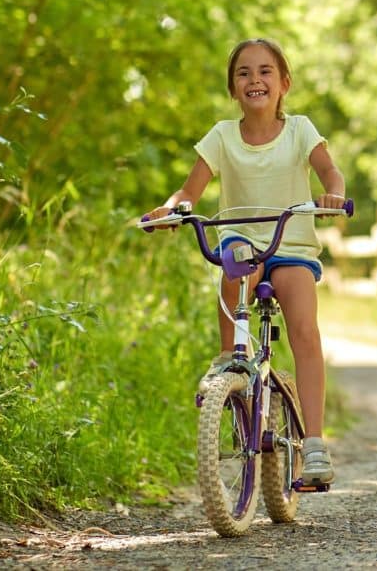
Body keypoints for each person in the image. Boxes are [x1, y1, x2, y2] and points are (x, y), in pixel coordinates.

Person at [143, 37, 348, 487]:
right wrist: (172, 208)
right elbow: (188, 192)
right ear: (233, 89)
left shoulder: (300, 130)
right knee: (234, 269)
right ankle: (230, 362)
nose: (254, 79)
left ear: (284, 84)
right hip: (242, 237)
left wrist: (333, 191)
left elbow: (329, 171)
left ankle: (314, 442)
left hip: (290, 242)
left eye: (265, 72)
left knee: (304, 326)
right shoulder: (221, 136)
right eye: (243, 73)